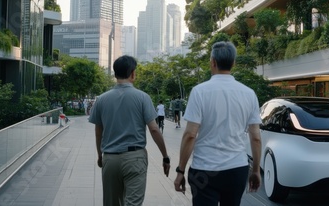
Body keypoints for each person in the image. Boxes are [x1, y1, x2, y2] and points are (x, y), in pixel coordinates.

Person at [173, 41, 262, 205]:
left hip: (205, 171)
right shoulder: (249, 94)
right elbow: (255, 137)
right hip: (237, 168)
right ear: (233, 63)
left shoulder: (199, 92)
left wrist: (180, 170)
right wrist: (256, 170)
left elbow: (190, 135)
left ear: (212, 62)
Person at [89, 55, 171, 206]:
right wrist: (165, 156)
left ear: (115, 74)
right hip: (135, 158)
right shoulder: (142, 97)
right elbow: (153, 129)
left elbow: (98, 131)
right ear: (133, 73)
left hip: (110, 158)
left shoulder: (102, 99)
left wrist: (100, 155)